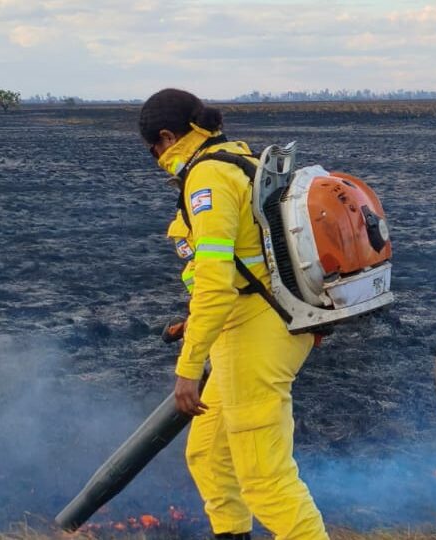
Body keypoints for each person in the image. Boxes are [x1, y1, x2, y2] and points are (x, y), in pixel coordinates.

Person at [139, 89, 328, 540]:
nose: (157, 160)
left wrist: (188, 368)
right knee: (209, 454)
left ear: (167, 138)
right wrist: (202, 323)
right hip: (251, 320)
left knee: (265, 479)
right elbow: (249, 261)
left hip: (257, 334)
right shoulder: (239, 158)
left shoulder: (207, 178)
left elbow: (215, 281)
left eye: (153, 149)